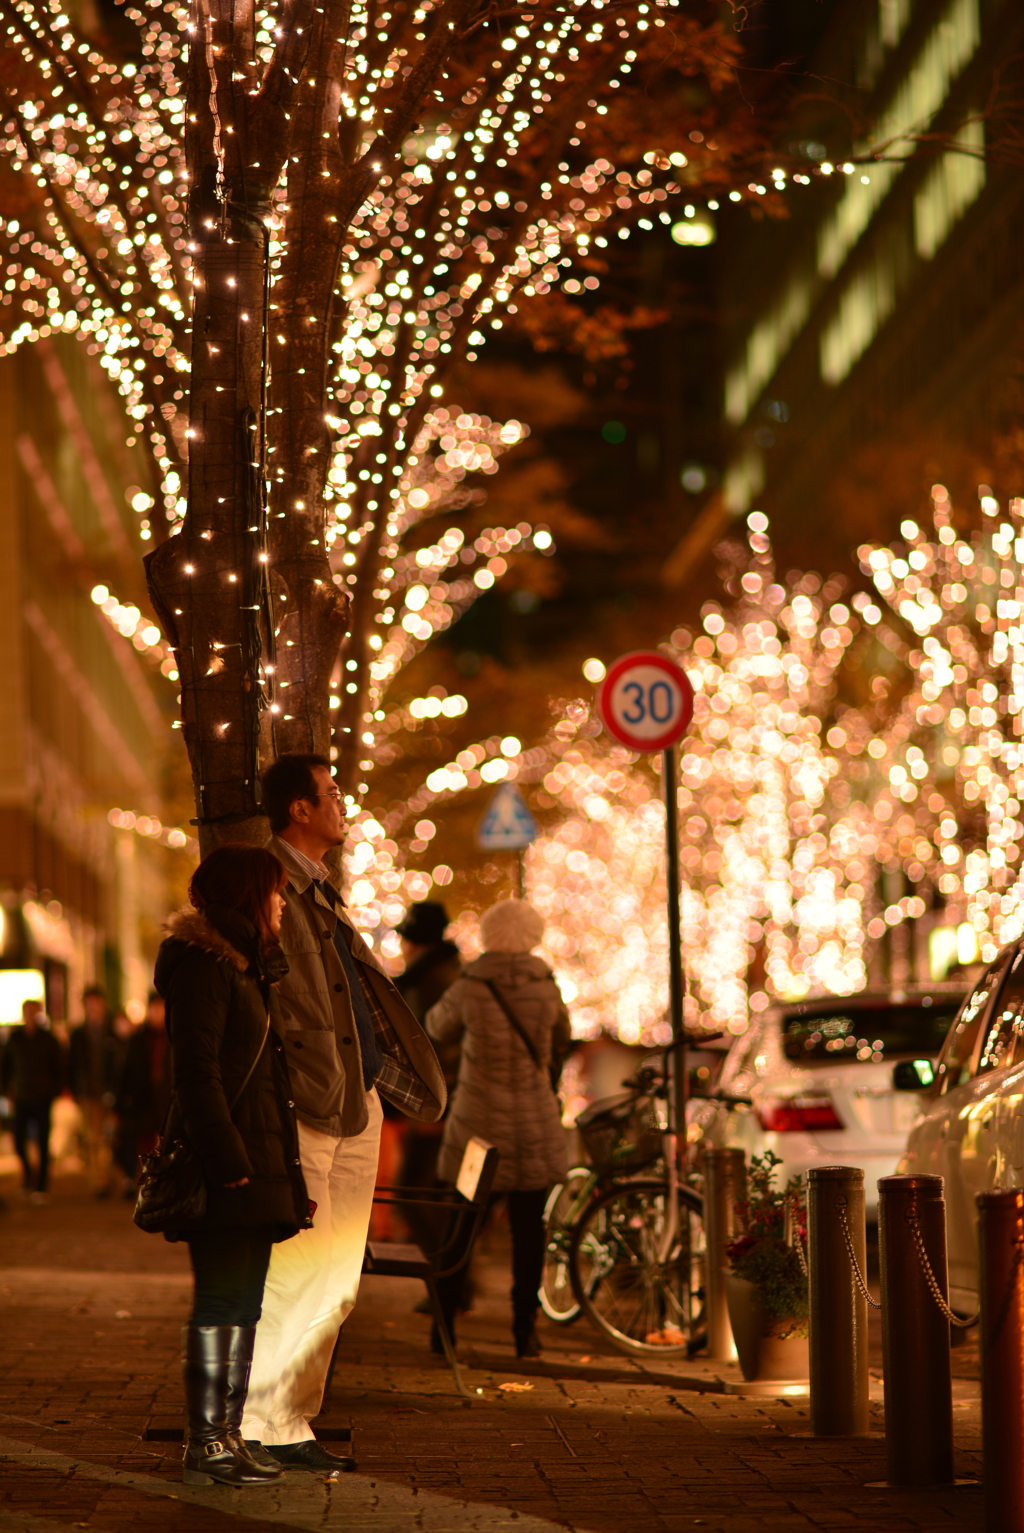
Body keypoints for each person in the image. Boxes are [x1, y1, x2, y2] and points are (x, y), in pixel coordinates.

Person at [239, 753, 446, 1473]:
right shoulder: (267, 885)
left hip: (353, 1098)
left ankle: (291, 1417)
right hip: (309, 1101)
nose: (341, 806)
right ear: (298, 808)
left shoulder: (322, 891)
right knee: (298, 1270)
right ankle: (268, 1419)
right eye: (330, 795)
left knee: (338, 1279)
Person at [153, 843, 311, 1488]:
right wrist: (228, 1158)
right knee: (222, 1299)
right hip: (234, 1160)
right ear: (250, 893)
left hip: (260, 1155)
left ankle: (227, 1432)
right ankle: (206, 1439)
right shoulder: (204, 963)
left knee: (243, 1304)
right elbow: (197, 1071)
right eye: (273, 891)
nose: (280, 903)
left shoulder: (248, 965)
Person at [426, 898, 571, 1358]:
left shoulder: (470, 986)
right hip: (532, 1127)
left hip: (477, 1129)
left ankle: (444, 1331)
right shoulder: (547, 987)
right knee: (530, 1234)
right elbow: (561, 1043)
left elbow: (435, 1027)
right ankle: (524, 1332)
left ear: (489, 934)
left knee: (461, 1231)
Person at [0, 999, 64, 1201]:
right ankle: (28, 1176)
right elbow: (5, 1065)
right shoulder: (16, 1038)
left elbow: (59, 1066)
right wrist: (6, 1089)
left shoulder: (48, 1039)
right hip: (21, 1096)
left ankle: (42, 1184)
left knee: (43, 1142)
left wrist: (54, 1090)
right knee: (18, 1139)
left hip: (42, 1096)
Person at [115, 993, 171, 1195]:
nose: (157, 1013)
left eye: (161, 1008)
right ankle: (138, 1180)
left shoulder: (173, 1036)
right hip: (143, 1101)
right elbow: (127, 1071)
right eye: (154, 1009)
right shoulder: (138, 1039)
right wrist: (121, 1102)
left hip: (166, 1101)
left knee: (166, 1143)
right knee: (140, 1143)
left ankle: (163, 1182)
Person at [69, 986, 118, 1196]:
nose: (92, 1007)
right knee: (93, 1138)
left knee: (110, 1137)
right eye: (88, 1003)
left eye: (95, 1002)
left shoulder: (112, 1030)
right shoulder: (79, 1034)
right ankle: (100, 1180)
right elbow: (71, 1064)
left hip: (111, 1092)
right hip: (87, 1093)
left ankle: (109, 1176)